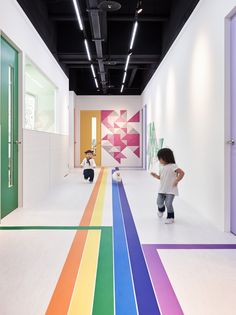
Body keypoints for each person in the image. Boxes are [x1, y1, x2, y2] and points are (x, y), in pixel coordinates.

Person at [151, 148, 185, 224]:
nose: (159, 160)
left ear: (166, 157)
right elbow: (161, 178)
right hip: (162, 189)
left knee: (168, 203)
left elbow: (182, 173)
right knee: (159, 202)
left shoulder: (173, 166)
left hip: (171, 189)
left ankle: (170, 217)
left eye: (160, 158)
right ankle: (161, 210)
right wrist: (155, 176)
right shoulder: (162, 167)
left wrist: (177, 180)